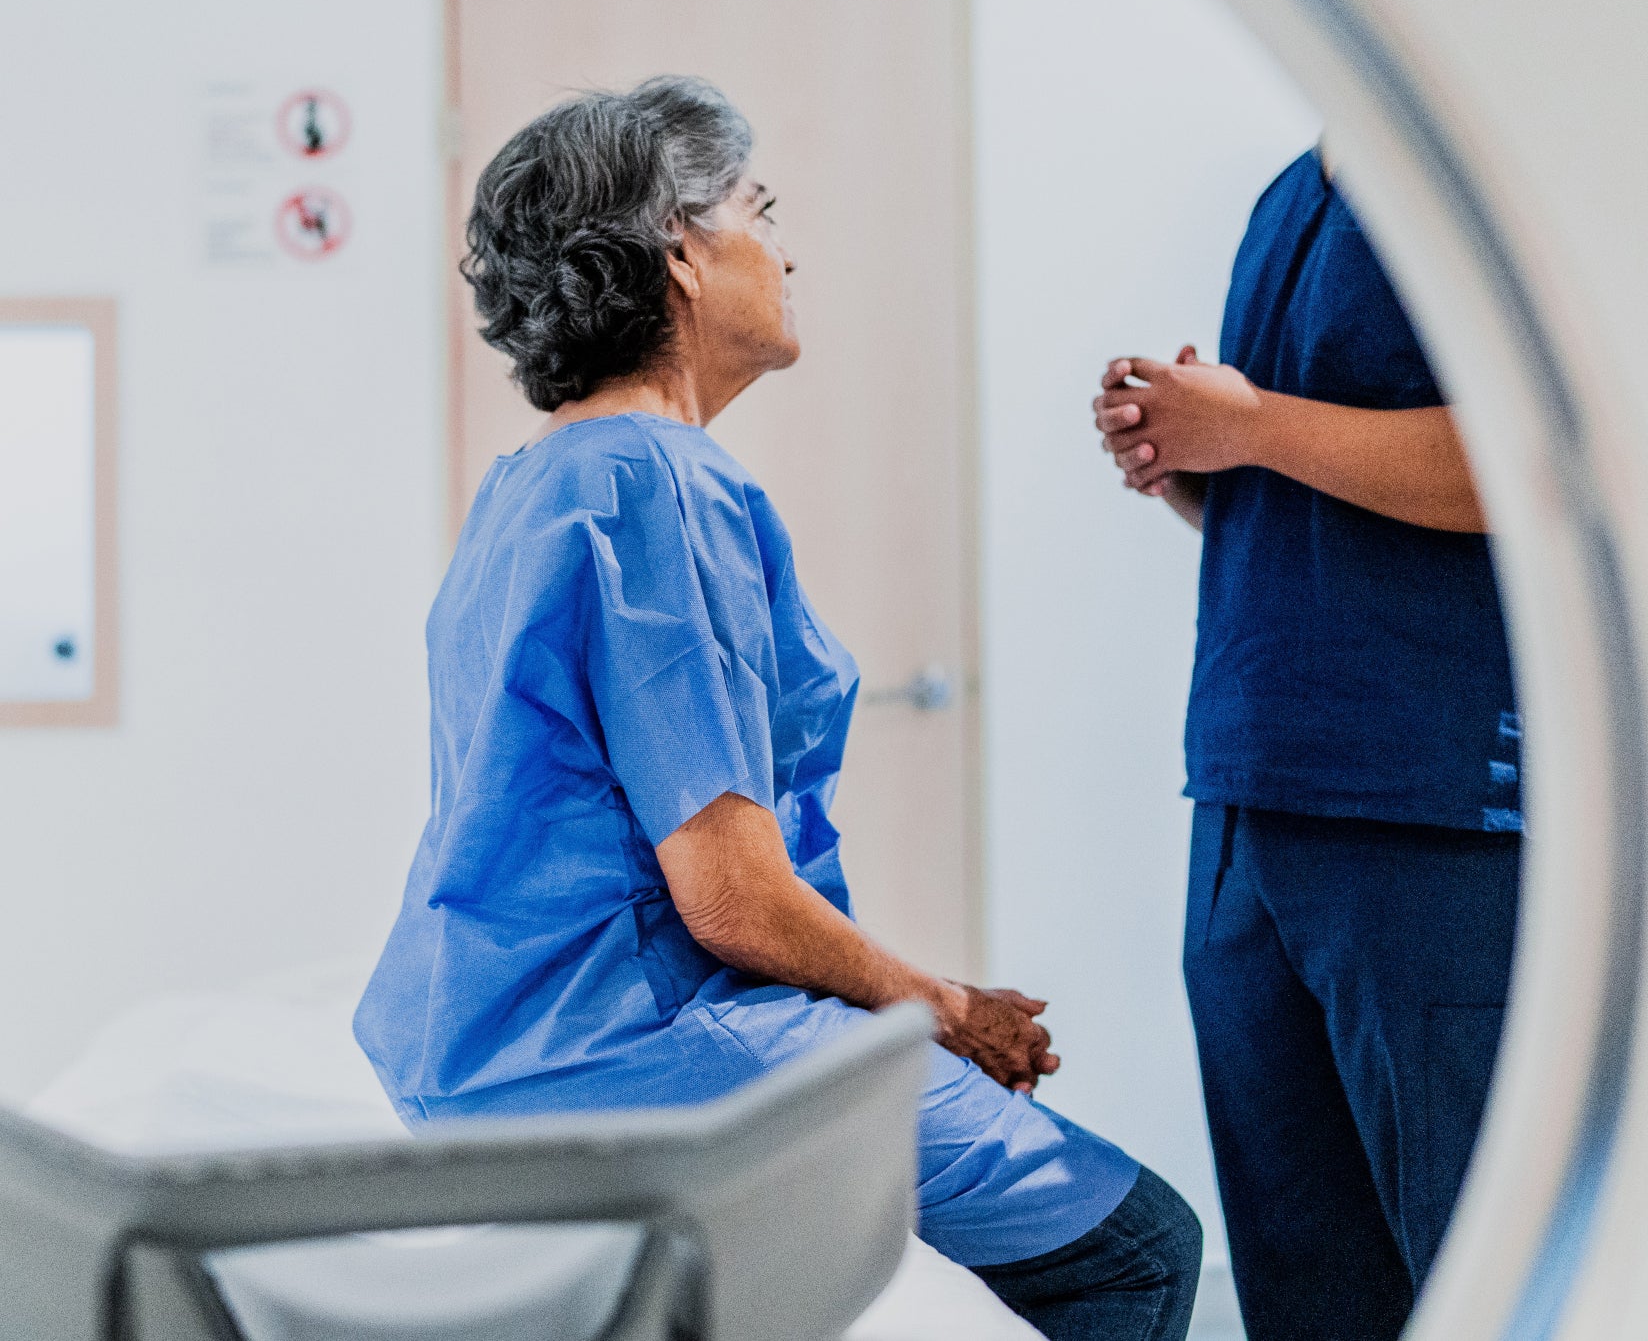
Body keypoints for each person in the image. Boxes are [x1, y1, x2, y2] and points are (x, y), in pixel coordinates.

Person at [357, 76, 1201, 1340]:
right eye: (758, 208)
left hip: (483, 1046)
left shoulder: (533, 484)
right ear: (678, 256)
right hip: (631, 1042)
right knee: (1133, 1251)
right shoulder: (656, 484)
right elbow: (727, 893)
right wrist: (944, 1010)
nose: (785, 246)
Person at [1090, 145, 1520, 1340]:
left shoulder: (1479, 163)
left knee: (1471, 1274)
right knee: (1301, 1279)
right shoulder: (1289, 192)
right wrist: (1189, 457)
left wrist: (1253, 425)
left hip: (1423, 809)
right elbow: (1296, 481)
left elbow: (1524, 465)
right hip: (1246, 789)